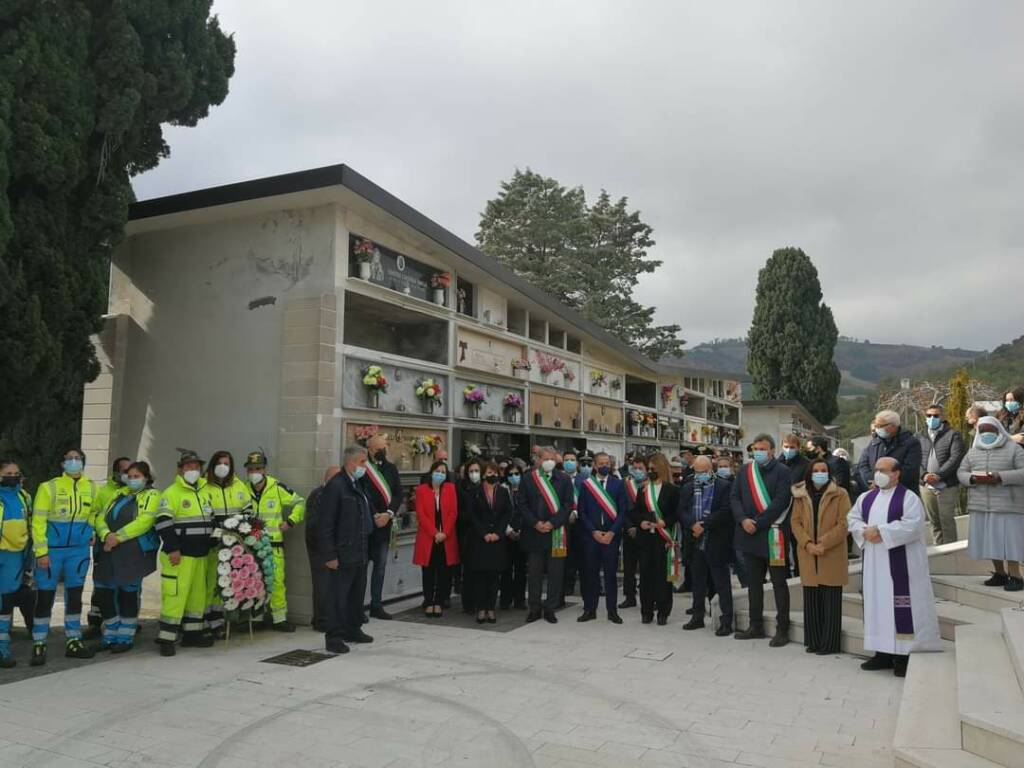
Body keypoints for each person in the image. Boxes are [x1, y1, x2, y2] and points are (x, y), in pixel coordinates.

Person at [849, 457, 941, 677]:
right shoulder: (866, 498)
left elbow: (913, 526)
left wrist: (880, 531)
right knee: (878, 606)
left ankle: (903, 656)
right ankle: (881, 653)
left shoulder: (909, 498)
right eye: (876, 469)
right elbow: (852, 519)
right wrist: (864, 530)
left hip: (902, 565)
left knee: (901, 606)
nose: (878, 473)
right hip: (875, 564)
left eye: (883, 470)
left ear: (896, 473)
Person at [31, 448, 97, 666]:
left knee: (75, 596)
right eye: (69, 459)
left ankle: (73, 640)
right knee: (45, 598)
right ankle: (39, 642)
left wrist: (92, 532)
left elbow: (96, 514)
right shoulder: (48, 487)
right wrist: (41, 552)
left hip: (78, 552)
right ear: (62, 464)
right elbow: (38, 521)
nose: (74, 461)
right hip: (52, 552)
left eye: (78, 458)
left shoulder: (92, 487)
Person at [732, 434, 794, 646]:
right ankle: (755, 625)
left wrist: (757, 523)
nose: (758, 452)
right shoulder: (745, 471)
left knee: (779, 583)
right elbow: (735, 497)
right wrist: (742, 520)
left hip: (772, 535)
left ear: (772, 450)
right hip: (748, 535)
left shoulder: (783, 472)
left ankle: (782, 628)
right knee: (754, 584)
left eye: (762, 448)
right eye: (755, 448)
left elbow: (780, 501)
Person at [92, 461, 160, 653]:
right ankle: (110, 631)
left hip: (133, 549)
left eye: (136, 476)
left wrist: (118, 537)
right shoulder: (118, 494)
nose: (132, 480)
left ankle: (125, 636)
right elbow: (100, 517)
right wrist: (106, 535)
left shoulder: (152, 495)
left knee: (127, 594)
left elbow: (145, 521)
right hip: (109, 547)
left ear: (146, 478)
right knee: (103, 590)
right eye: (129, 476)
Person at [155, 450, 215, 656]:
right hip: (179, 556)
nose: (193, 470)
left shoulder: (205, 491)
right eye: (189, 466)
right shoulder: (171, 493)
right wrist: (173, 548)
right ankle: (167, 638)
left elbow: (211, 520)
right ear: (180, 469)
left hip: (201, 555)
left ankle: (192, 635)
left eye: (196, 467)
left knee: (196, 598)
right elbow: (163, 522)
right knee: (176, 597)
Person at [791, 460, 850, 655]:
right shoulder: (800, 495)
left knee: (831, 600)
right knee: (811, 599)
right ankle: (814, 641)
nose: (820, 473)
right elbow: (795, 523)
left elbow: (844, 524)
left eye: (823, 470)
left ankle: (830, 644)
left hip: (830, 552)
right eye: (816, 470)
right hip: (808, 552)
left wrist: (823, 543)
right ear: (809, 473)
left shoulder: (840, 494)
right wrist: (808, 543)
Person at [319, 446, 375, 654]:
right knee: (337, 597)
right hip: (342, 554)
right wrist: (330, 555)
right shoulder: (336, 486)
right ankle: (333, 637)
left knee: (356, 595)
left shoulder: (356, 484)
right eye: (362, 462)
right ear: (351, 463)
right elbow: (325, 524)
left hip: (359, 551)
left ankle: (353, 629)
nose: (365, 466)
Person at [958, 416, 1024, 591]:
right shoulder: (973, 452)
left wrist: (1001, 477)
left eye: (990, 430)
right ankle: (1000, 573)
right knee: (990, 541)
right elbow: (961, 472)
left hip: (1007, 505)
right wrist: (971, 478)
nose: (986, 433)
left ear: (999, 430)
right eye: (983, 430)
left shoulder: (1014, 449)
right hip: (981, 505)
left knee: (1009, 543)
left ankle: (1016, 576)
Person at [245, 450, 306, 631]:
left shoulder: (277, 487)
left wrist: (290, 521)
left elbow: (300, 503)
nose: (254, 472)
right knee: (253, 581)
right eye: (251, 469)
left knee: (277, 582)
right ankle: (256, 619)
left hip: (274, 546)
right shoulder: (242, 489)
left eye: (258, 468)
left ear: (265, 469)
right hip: (252, 545)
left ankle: (279, 619)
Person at [680, 455, 734, 636]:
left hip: (716, 541)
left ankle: (726, 621)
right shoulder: (688, 487)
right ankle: (697, 617)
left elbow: (726, 511)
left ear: (711, 469)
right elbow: (682, 510)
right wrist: (691, 524)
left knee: (722, 584)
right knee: (698, 583)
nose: (700, 474)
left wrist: (704, 525)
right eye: (697, 471)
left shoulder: (723, 486)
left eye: (703, 471)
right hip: (695, 543)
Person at [520, 446, 574, 623]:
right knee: (534, 573)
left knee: (555, 573)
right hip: (534, 532)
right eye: (545, 459)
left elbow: (568, 505)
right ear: (538, 460)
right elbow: (522, 504)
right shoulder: (528, 478)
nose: (548, 462)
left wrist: (552, 523)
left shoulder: (564, 479)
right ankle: (534, 608)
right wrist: (536, 523)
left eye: (552, 458)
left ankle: (550, 608)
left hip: (556, 533)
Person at [576, 452, 629, 624]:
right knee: (590, 575)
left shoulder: (618, 484)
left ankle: (612, 611)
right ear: (595, 465)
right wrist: (593, 532)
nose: (604, 466)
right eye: (601, 463)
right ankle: (589, 610)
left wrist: (612, 532)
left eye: (607, 462)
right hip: (592, 536)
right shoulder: (586, 485)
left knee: (610, 576)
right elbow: (582, 512)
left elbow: (622, 511)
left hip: (611, 536)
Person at [204, 450, 251, 636]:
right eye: (219, 463)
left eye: (227, 463)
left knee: (224, 582)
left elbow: (248, 511)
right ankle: (206, 620)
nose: (223, 467)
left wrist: (240, 527)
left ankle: (218, 620)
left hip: (232, 544)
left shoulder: (239, 486)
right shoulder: (204, 486)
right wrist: (217, 529)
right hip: (211, 542)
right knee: (209, 583)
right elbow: (203, 512)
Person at [630, 453, 680, 626]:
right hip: (646, 538)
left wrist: (664, 522)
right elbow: (635, 511)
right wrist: (641, 522)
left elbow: (676, 513)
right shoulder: (643, 489)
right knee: (645, 575)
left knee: (662, 576)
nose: (650, 471)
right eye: (648, 469)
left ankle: (663, 611)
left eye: (653, 468)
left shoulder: (672, 490)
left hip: (663, 538)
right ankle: (646, 611)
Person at [85, 456, 132, 637]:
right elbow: (94, 514)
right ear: (116, 473)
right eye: (125, 471)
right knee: (102, 585)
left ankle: (124, 618)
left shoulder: (134, 492)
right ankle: (96, 621)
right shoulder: (104, 492)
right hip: (105, 545)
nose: (129, 475)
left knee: (127, 585)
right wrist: (94, 534)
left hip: (127, 546)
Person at [464, 462, 513, 623]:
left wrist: (498, 533)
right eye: (490, 472)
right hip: (480, 539)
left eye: (495, 472)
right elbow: (472, 515)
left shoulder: (504, 492)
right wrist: (484, 533)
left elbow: (507, 513)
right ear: (484, 474)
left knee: (494, 576)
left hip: (497, 540)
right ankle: (481, 608)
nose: (493, 475)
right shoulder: (474, 491)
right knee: (480, 576)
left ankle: (491, 608)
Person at [364, 435, 403, 621]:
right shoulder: (363, 468)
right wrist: (374, 515)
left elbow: (398, 494)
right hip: (367, 526)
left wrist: (388, 513)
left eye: (384, 446)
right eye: (379, 447)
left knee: (380, 567)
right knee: (361, 567)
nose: (383, 449)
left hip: (385, 525)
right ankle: (356, 606)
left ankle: (376, 605)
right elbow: (362, 495)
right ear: (370, 448)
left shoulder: (391, 468)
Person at [414, 460, 459, 617]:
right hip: (428, 537)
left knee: (444, 570)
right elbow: (421, 515)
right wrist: (435, 533)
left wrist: (444, 533)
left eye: (443, 472)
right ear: (431, 472)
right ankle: (428, 600)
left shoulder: (451, 489)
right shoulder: (421, 490)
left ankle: (439, 601)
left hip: (446, 537)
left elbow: (453, 513)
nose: (440, 474)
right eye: (437, 471)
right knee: (428, 570)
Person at [916, 404, 965, 545]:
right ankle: (939, 551)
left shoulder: (953, 434)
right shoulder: (919, 436)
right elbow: (916, 458)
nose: (932, 418)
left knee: (946, 520)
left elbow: (955, 458)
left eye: (936, 416)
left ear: (942, 417)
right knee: (934, 522)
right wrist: (924, 475)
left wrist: (939, 475)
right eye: (929, 416)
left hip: (947, 485)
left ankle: (951, 553)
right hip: (926, 486)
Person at [0, 460, 31, 667]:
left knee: (5, 604)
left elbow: (29, 527)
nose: (13, 476)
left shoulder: (24, 497)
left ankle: (3, 649)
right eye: (8, 473)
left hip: (14, 557)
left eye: (16, 472)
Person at [304, 465, 340, 632]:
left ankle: (330, 618)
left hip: (331, 547)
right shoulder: (318, 495)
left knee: (330, 586)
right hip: (319, 548)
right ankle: (321, 620)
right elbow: (315, 524)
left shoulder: (333, 494)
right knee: (322, 586)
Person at [856, 410, 922, 494]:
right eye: (876, 426)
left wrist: (881, 483)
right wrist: (872, 481)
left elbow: (909, 471)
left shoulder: (911, 443)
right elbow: (863, 465)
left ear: (893, 426)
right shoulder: (874, 442)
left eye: (880, 426)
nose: (877, 429)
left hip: (902, 494)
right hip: (876, 493)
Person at [617, 454, 646, 610]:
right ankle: (629, 596)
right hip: (629, 530)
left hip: (646, 530)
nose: (637, 471)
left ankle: (648, 597)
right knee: (629, 567)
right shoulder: (624, 484)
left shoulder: (650, 485)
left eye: (640, 468)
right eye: (634, 468)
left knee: (646, 566)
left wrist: (640, 526)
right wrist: (629, 526)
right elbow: (621, 507)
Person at [498, 459, 528, 610]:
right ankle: (505, 599)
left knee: (521, 569)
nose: (514, 477)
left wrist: (522, 530)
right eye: (511, 474)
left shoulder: (527, 490)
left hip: (523, 533)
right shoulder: (502, 490)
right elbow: (499, 514)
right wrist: (508, 530)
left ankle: (520, 600)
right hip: (506, 535)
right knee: (506, 569)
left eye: (517, 474)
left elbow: (529, 512)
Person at [456, 458, 482, 613]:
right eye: (471, 471)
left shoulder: (486, 487)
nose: (474, 474)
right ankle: (468, 603)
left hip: (483, 534)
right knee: (469, 570)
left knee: (481, 569)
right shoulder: (460, 487)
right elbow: (457, 511)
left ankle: (481, 600)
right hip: (467, 533)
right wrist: (473, 518)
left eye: (477, 471)